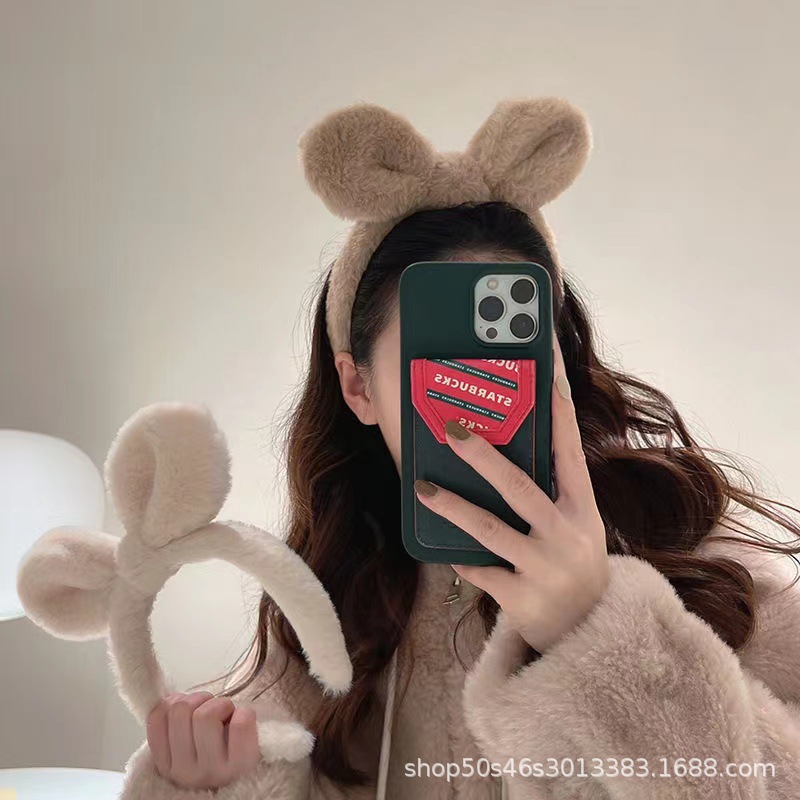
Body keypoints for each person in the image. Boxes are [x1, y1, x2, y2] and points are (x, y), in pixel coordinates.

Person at [121, 98, 800, 799]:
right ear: (358, 388)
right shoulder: (327, 603)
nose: (482, 399)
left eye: (512, 360)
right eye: (445, 369)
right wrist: (209, 785)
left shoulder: (700, 555)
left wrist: (602, 636)